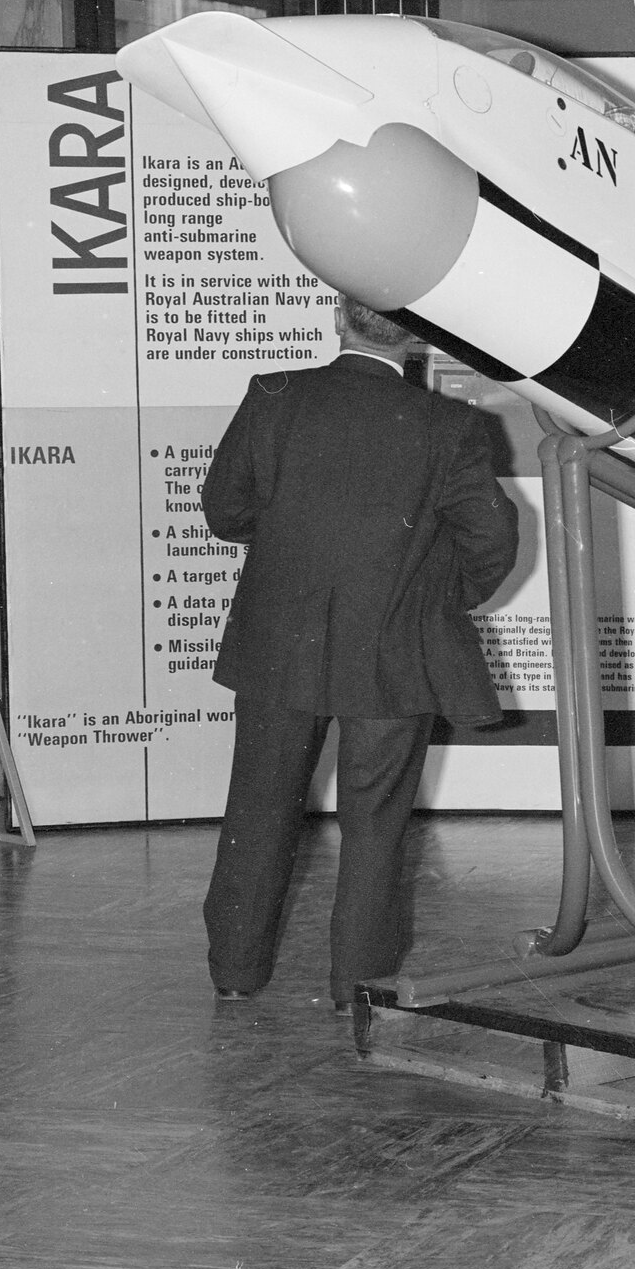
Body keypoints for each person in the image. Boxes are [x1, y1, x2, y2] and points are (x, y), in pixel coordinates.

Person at [199, 298, 520, 1008]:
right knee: (376, 823)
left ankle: (235, 972)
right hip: (393, 653)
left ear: (337, 318)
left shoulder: (273, 396)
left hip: (278, 644)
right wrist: (434, 595)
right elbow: (492, 540)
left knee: (258, 809)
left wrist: (295, 545)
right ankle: (359, 987)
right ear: (418, 336)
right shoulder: (452, 426)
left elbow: (224, 511)